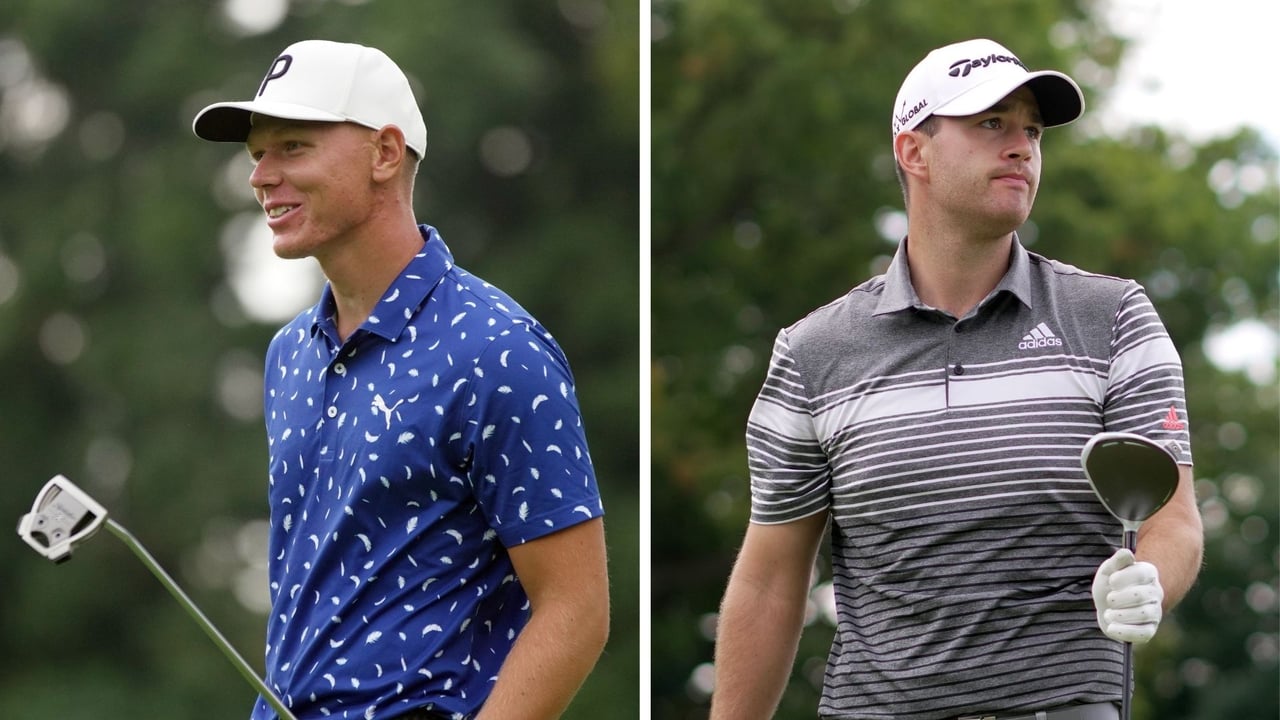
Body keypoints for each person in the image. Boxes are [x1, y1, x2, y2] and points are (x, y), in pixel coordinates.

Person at [711, 38, 1203, 720]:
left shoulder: (1113, 316)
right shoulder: (813, 352)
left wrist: (1151, 580)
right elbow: (770, 579)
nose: (1022, 148)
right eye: (991, 124)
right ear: (914, 152)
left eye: (1032, 130)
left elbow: (1174, 518)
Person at [192, 40, 609, 720]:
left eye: (292, 147)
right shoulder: (288, 354)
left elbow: (576, 610)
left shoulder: (497, 349)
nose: (261, 176)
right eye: (256, 154)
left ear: (385, 153)